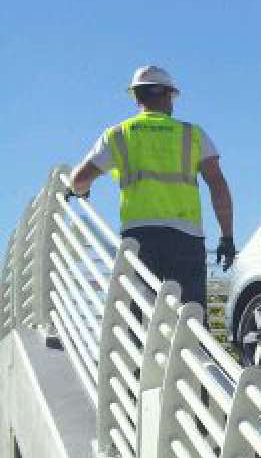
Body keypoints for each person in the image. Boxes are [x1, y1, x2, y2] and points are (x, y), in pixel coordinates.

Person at [68, 66, 236, 309]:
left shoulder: (118, 135)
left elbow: (79, 180)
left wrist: (80, 192)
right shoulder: (192, 134)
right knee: (191, 318)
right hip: (186, 238)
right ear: (169, 95)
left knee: (138, 316)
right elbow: (218, 185)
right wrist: (227, 236)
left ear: (136, 97)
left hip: (139, 238)